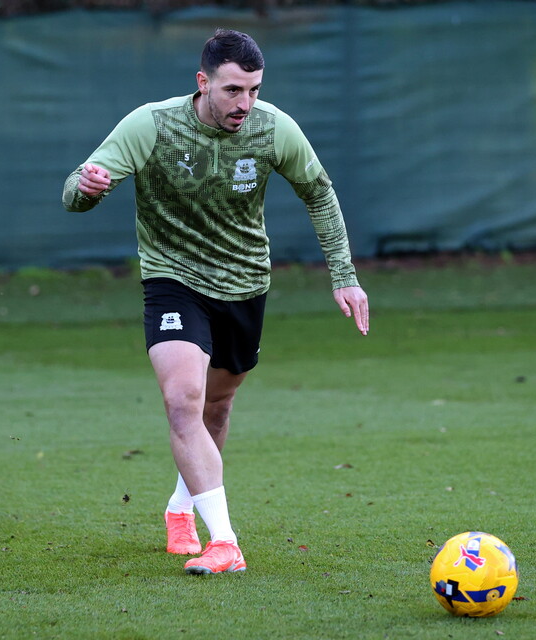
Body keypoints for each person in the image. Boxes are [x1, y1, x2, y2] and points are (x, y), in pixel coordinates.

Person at [62, 29, 369, 575]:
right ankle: (224, 541)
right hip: (172, 279)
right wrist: (87, 189)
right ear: (202, 83)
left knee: (216, 408)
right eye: (232, 90)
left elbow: (319, 192)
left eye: (253, 89)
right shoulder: (151, 124)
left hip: (245, 283)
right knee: (183, 401)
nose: (244, 104)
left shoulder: (274, 128)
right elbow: (76, 191)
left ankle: (181, 508)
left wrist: (344, 275)